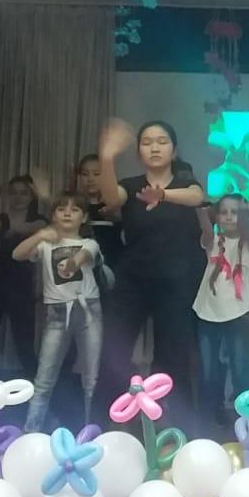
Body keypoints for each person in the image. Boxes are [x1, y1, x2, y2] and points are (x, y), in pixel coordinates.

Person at [98, 119, 206, 428]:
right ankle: (110, 424)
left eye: (161, 141)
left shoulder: (185, 181)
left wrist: (163, 195)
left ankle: (174, 427)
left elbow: (196, 197)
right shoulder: (132, 186)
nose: (155, 147)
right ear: (138, 152)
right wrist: (107, 158)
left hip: (176, 283)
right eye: (147, 142)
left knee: (173, 355)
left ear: (174, 150)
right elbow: (111, 199)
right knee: (114, 348)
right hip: (133, 279)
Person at [15, 192, 101, 432]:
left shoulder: (90, 243)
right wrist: (41, 234)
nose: (67, 213)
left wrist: (72, 264)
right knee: (44, 379)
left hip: (88, 310)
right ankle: (30, 432)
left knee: (91, 379)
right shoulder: (45, 244)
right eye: (61, 209)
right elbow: (17, 254)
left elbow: (83, 257)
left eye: (74, 210)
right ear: (53, 215)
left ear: (84, 217)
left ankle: (90, 432)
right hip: (56, 313)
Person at [194, 194, 249, 436]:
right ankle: (211, 417)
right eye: (224, 212)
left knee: (241, 370)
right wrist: (203, 212)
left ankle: (246, 419)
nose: (229, 217)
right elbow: (206, 229)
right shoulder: (213, 240)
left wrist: (245, 213)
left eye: (235, 212)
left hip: (238, 315)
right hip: (207, 314)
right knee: (209, 372)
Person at [0, 175, 46, 377]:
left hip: (22, 282)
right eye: (13, 193)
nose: (18, 197)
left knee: (24, 340)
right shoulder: (2, 218)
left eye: (24, 193)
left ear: (31, 197)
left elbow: (28, 229)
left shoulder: (39, 221)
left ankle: (35, 386)